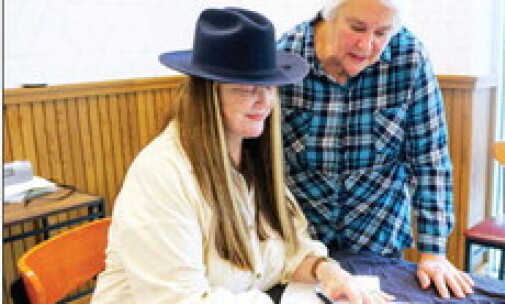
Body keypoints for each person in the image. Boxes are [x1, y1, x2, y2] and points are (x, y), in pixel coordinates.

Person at [91, 7, 394, 304]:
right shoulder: (162, 175)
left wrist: (328, 272)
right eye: (247, 88)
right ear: (208, 94)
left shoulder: (251, 158)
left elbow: (287, 253)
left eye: (270, 87)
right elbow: (180, 299)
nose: (265, 102)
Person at [277, 0, 475, 299]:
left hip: (377, 234)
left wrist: (433, 251)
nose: (367, 44)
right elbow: (257, 160)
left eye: (381, 33)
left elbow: (429, 159)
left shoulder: (409, 57)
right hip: (301, 241)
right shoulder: (284, 56)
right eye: (357, 28)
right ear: (328, 18)